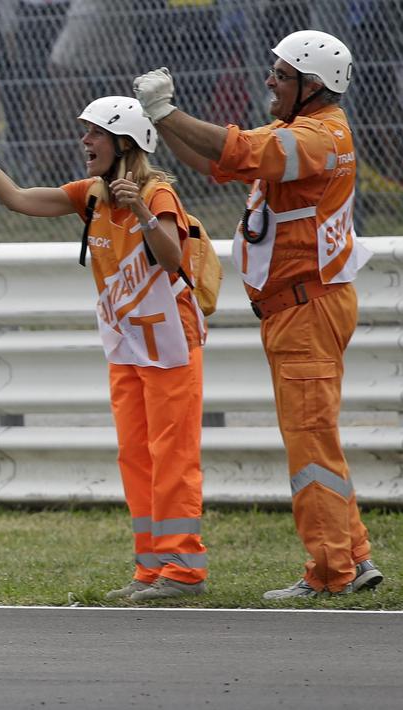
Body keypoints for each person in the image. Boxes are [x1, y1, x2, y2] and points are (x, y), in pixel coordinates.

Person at [133, 30, 383, 600]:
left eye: (280, 73)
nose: (268, 80)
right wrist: (163, 119)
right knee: (316, 440)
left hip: (305, 310)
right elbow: (216, 160)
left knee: (310, 445)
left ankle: (330, 573)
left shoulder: (319, 137)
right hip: (300, 308)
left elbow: (239, 151)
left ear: (311, 84)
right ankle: (355, 555)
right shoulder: (304, 129)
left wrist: (168, 110)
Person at [0, 97, 209, 601]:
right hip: (128, 346)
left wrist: (138, 208)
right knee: (136, 455)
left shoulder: (157, 196)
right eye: (86, 133)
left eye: (94, 134)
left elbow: (172, 256)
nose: (84, 142)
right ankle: (150, 567)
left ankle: (183, 569)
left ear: (124, 142)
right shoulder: (90, 194)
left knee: (171, 454)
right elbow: (21, 200)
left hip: (171, 346)